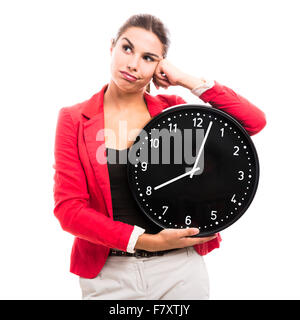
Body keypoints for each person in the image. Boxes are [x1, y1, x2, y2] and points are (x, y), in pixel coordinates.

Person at [53, 13, 266, 300]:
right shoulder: (74, 119)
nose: (133, 64)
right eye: (127, 48)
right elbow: (69, 210)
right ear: (112, 46)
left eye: (149, 58)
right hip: (109, 274)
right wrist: (145, 242)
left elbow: (253, 122)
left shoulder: (173, 112)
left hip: (179, 270)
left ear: (159, 66)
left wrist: (186, 80)